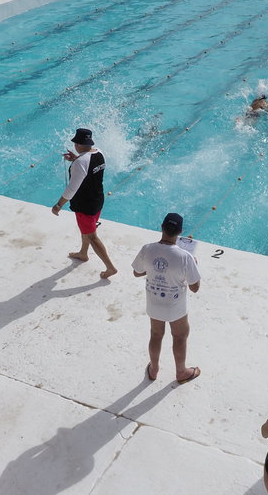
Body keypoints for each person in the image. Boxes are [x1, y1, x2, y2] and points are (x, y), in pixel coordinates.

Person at [132, 213, 201, 384]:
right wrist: (193, 264)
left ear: (162, 227)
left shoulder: (147, 249)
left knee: (156, 335)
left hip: (154, 302)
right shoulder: (186, 257)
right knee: (179, 337)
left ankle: (154, 369)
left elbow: (137, 272)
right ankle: (181, 372)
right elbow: (195, 287)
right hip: (175, 306)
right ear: (180, 232)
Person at [52, 128, 118, 278]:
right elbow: (87, 165)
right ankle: (83, 253)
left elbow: (71, 189)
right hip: (97, 199)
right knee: (86, 230)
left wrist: (58, 205)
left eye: (75, 143)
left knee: (92, 236)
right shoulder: (99, 153)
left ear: (79, 144)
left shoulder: (80, 162)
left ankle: (110, 267)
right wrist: (76, 159)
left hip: (85, 205)